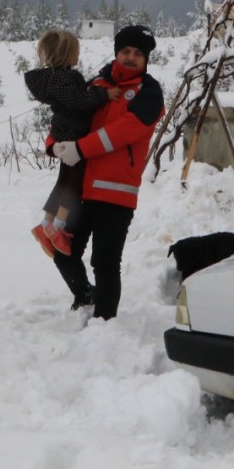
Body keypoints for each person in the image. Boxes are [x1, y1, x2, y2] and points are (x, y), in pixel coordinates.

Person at [48, 24, 164, 319]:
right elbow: (67, 117)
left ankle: (104, 321)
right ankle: (86, 297)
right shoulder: (96, 86)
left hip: (115, 192)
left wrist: (81, 149)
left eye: (138, 53)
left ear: (146, 59)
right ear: (116, 53)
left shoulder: (149, 92)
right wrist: (54, 144)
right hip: (79, 187)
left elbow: (125, 131)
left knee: (105, 261)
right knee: (62, 249)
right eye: (125, 51)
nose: (130, 58)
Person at [23, 29, 119, 257]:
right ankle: (58, 229)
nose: (79, 55)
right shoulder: (67, 78)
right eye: (77, 51)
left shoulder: (51, 80)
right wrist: (103, 95)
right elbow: (78, 101)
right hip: (74, 136)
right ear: (67, 54)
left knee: (63, 181)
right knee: (74, 185)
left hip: (62, 133)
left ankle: (46, 224)